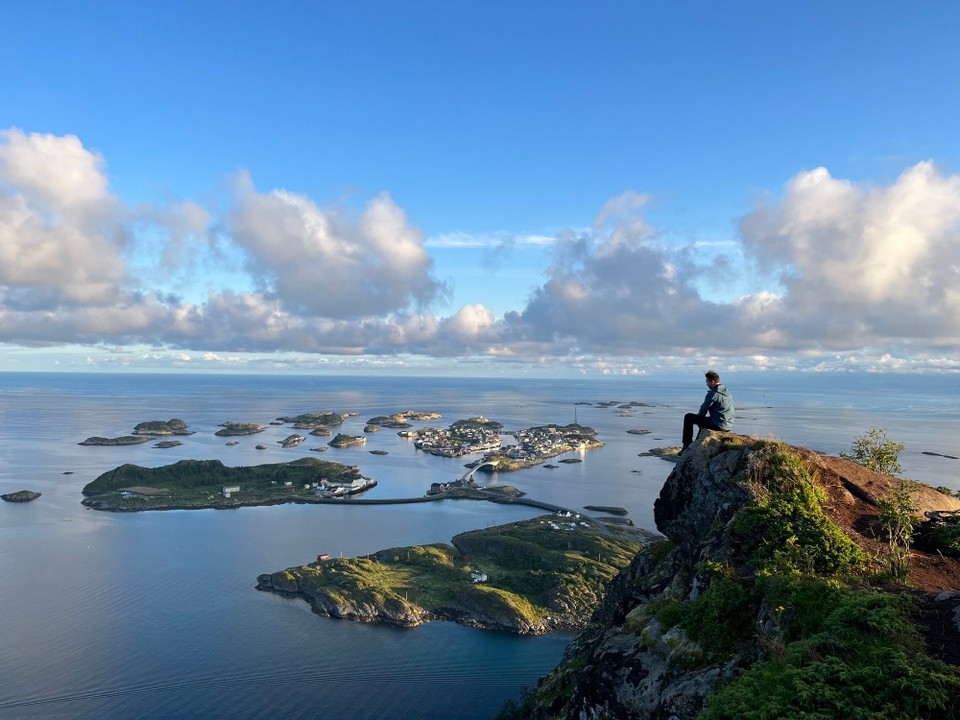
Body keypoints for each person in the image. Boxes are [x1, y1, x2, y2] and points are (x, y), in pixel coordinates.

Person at [681, 370, 735, 454]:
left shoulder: (713, 393)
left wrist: (699, 418)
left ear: (712, 381)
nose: (706, 384)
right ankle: (696, 443)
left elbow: (703, 409)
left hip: (718, 425)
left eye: (707, 382)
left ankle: (687, 444)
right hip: (728, 425)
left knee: (688, 417)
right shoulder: (727, 392)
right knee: (704, 422)